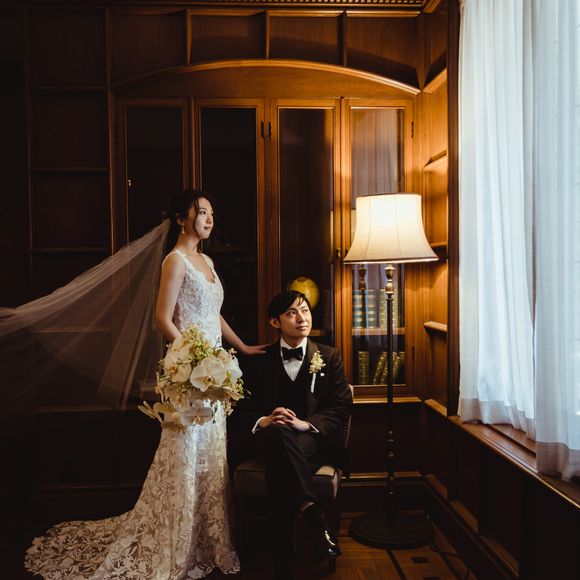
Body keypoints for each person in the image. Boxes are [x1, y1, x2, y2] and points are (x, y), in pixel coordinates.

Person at [25, 189, 266, 579]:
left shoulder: (206, 261)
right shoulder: (175, 261)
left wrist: (241, 347)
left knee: (210, 453)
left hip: (215, 374)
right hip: (190, 373)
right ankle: (176, 540)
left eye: (211, 212)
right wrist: (195, 357)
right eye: (201, 212)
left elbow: (213, 313)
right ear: (181, 219)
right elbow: (162, 318)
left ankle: (208, 538)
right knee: (185, 452)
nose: (209, 219)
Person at [230, 290, 352, 579]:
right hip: (267, 439)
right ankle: (313, 514)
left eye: (305, 311)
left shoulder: (329, 356)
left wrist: (305, 424)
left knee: (281, 469)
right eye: (291, 313)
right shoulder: (258, 360)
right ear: (275, 322)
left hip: (312, 441)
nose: (302, 318)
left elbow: (341, 406)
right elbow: (240, 409)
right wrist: (265, 420)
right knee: (277, 434)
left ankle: (283, 560)